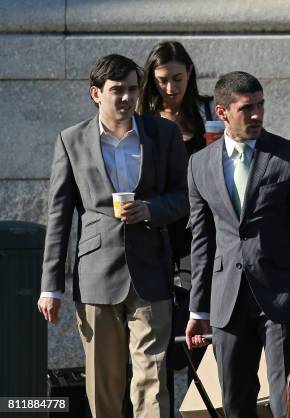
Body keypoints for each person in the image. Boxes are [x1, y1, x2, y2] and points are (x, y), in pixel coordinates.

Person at [37, 54, 189, 418]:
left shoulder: (163, 134)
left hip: (151, 269)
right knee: (104, 384)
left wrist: (151, 209)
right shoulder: (71, 140)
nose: (126, 97)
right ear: (96, 93)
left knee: (152, 378)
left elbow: (185, 197)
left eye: (133, 89)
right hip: (96, 274)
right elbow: (58, 216)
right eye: (117, 90)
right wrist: (50, 286)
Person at [185, 71, 290, 418]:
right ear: (222, 113)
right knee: (234, 401)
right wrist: (198, 309)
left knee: (288, 401)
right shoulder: (199, 164)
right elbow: (202, 242)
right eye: (246, 108)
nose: (256, 115)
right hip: (227, 301)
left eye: (260, 106)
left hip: (281, 297)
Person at [140, 40, 217, 268]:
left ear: (189, 72)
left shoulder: (209, 111)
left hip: (202, 221)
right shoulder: (143, 118)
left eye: (177, 79)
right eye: (162, 81)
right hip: (159, 220)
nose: (171, 89)